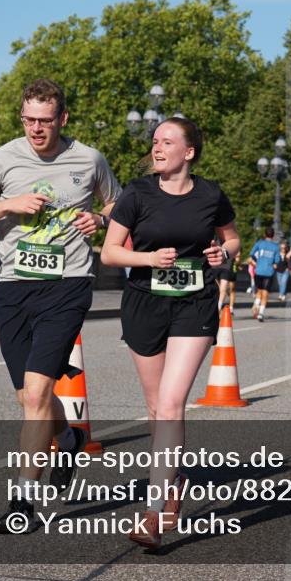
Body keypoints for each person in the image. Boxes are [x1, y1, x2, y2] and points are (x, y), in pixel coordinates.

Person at [0, 78, 122, 533]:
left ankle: (21, 502)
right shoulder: (4, 158)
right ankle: (67, 437)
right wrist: (8, 204)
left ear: (62, 119)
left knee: (35, 394)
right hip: (14, 286)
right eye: (29, 119)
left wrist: (101, 218)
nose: (36, 129)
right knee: (28, 397)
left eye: (45, 121)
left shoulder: (89, 159)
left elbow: (120, 204)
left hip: (67, 285)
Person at [101, 115, 239, 549]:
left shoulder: (210, 194)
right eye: (155, 141)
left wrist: (222, 253)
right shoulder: (136, 194)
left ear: (189, 152)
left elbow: (233, 240)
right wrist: (147, 260)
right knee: (157, 409)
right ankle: (174, 482)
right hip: (144, 303)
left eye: (167, 141)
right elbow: (109, 253)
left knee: (173, 402)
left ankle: (153, 513)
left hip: (194, 302)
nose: (157, 148)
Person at [248, 227, 280, 322]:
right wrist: (274, 264)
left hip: (259, 271)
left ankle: (256, 304)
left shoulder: (259, 243)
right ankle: (261, 313)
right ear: (273, 235)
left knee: (259, 290)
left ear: (265, 234)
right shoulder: (275, 247)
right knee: (265, 293)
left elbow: (252, 253)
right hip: (269, 272)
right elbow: (277, 261)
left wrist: (256, 262)